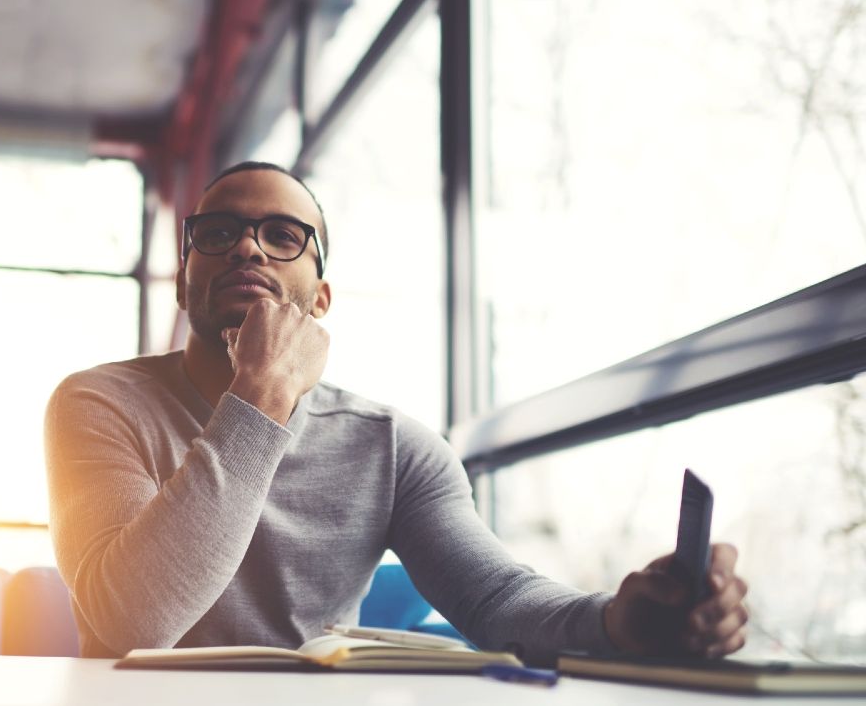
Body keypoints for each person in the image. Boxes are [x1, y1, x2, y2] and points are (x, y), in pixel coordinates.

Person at [43, 161, 750, 665]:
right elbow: (133, 621)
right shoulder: (99, 403)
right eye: (219, 232)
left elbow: (496, 598)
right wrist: (260, 394)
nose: (248, 246)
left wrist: (617, 619)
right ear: (185, 278)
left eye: (283, 235)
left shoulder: (393, 447)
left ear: (319, 298)